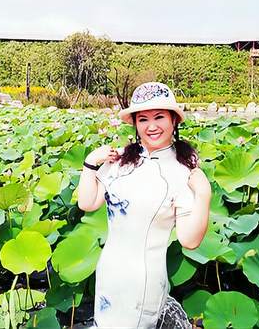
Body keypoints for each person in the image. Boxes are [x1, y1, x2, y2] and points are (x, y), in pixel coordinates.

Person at [77, 82, 211, 328]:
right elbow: (87, 203)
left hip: (143, 281)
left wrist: (204, 194)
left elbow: (190, 241)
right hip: (109, 272)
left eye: (159, 117)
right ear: (135, 124)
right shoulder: (120, 161)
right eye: (143, 119)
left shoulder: (182, 171)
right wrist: (89, 164)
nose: (151, 126)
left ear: (174, 121)